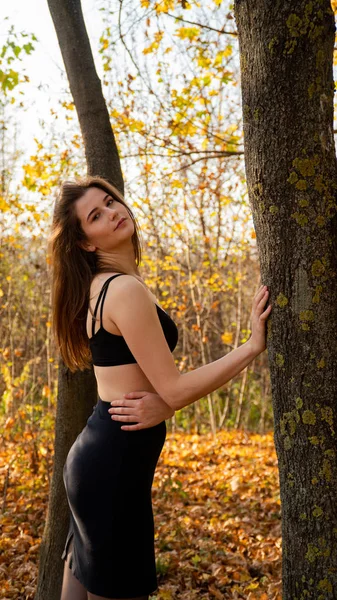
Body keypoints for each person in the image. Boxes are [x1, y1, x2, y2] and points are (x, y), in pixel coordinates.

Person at [49, 175, 272, 600]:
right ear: (86, 243)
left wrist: (165, 406)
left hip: (97, 459)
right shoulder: (124, 290)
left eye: (110, 202)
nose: (113, 212)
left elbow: (140, 385)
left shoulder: (100, 287)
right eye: (96, 215)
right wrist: (251, 347)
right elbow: (173, 390)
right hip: (112, 470)